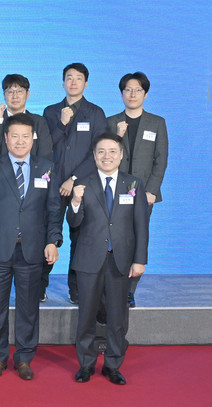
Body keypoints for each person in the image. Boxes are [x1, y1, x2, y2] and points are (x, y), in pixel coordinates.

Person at [0, 113, 63, 380]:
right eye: (15, 136)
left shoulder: (46, 167)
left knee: (28, 307)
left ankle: (24, 357)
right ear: (6, 138)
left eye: (26, 136)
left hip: (32, 248)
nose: (20, 141)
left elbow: (54, 209)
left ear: (33, 138)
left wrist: (53, 241)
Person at [68, 133, 148, 385]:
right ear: (94, 155)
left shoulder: (134, 183)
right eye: (101, 151)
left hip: (120, 261)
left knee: (117, 317)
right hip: (89, 260)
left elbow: (141, 225)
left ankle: (113, 364)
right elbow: (74, 223)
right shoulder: (83, 183)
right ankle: (86, 364)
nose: (107, 156)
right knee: (86, 316)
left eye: (112, 151)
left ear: (121, 155)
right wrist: (75, 202)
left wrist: (139, 260)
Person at [43, 63, 107, 304]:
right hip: (52, 184)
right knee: (47, 235)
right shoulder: (51, 112)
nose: (73, 82)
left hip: (82, 186)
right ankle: (40, 285)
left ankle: (76, 289)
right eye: (69, 78)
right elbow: (44, 147)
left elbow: (98, 152)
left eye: (78, 78)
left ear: (86, 84)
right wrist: (61, 124)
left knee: (80, 239)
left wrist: (74, 179)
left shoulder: (95, 113)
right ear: (62, 82)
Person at [106, 72, 168, 307]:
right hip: (113, 190)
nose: (132, 94)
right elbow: (104, 154)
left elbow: (161, 160)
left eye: (137, 90)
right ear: (121, 93)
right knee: (112, 237)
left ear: (145, 94)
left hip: (143, 193)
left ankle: (129, 290)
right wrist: (117, 136)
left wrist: (151, 190)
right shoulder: (111, 122)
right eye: (128, 90)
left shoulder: (157, 122)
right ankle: (111, 285)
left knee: (137, 237)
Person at [0, 74, 52, 161]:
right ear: (4, 95)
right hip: (2, 169)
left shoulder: (39, 121)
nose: (15, 96)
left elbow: (45, 153)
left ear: (27, 94)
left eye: (19, 92)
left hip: (33, 169)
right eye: (10, 92)